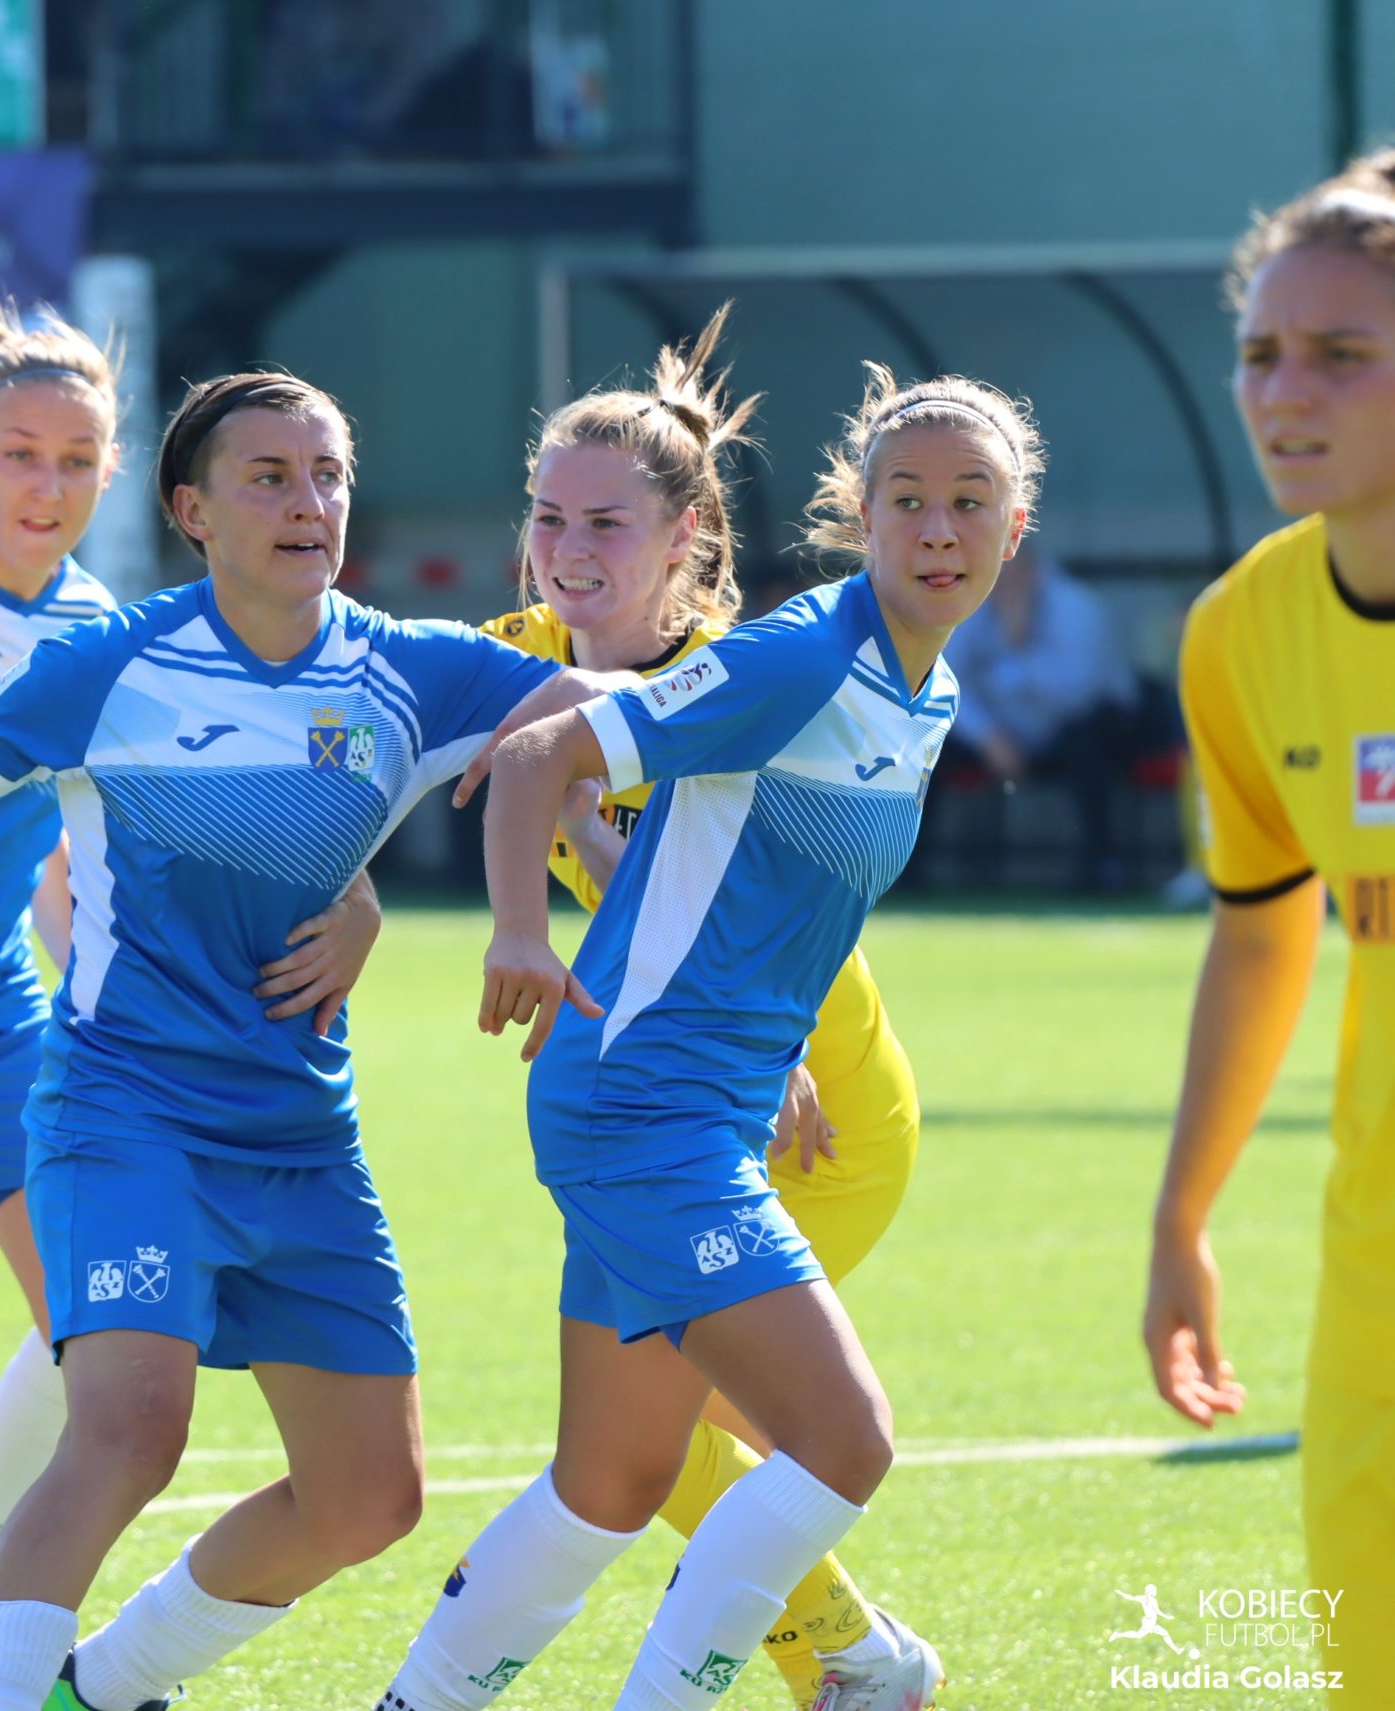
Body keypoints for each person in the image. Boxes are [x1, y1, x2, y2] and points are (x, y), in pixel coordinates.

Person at [0, 370, 581, 1711]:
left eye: (327, 474)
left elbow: (620, 719)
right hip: (123, 1111)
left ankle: (94, 1689)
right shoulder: (113, 661)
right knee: (129, 1428)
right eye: (269, 477)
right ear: (192, 510)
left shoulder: (410, 668)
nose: (308, 502)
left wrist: (674, 626)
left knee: (369, 1496)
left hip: (301, 1135)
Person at [383, 366, 1039, 1711]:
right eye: (908, 499)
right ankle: (844, 1672)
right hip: (648, 1110)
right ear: (860, 511)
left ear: (1013, 526)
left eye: (970, 502)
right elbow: (536, 756)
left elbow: (726, 888)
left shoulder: (921, 691)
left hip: (691, 1107)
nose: (937, 528)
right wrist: (519, 933)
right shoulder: (802, 657)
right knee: (843, 1440)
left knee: (613, 1479)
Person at [1143, 152, 1395, 1711]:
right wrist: (1182, 1214)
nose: (1284, 392)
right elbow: (1258, 933)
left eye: (1343, 353)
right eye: (1260, 352)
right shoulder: (1241, 630)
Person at [928, 539, 1173, 891]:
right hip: (1004, 735)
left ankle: (1099, 869)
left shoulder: (1076, 606)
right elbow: (944, 681)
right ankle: (908, 872)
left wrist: (1015, 644)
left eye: (1011, 574)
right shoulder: (970, 605)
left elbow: (1075, 693)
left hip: (1081, 725)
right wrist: (989, 738)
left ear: (1032, 569)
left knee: (1086, 742)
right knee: (932, 742)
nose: (1002, 585)